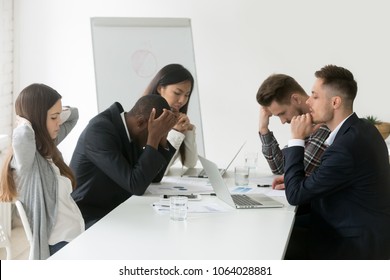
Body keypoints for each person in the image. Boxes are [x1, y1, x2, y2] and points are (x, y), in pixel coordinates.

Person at [283, 64, 390, 259]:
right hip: (351, 227)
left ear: (335, 102)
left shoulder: (346, 147)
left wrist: (296, 140)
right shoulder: (360, 130)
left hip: (352, 246)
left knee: (279, 246)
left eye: (315, 96)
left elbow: (295, 195)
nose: (308, 102)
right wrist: (301, 182)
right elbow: (328, 180)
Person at [0, 83, 84, 260]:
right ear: (36, 120)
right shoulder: (26, 160)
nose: (59, 123)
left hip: (75, 236)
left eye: (58, 116)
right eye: (54, 118)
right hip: (60, 246)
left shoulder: (45, 146)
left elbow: (74, 115)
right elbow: (22, 136)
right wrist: (25, 120)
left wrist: (55, 114)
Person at [70, 95, 177, 228]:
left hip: (118, 209)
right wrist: (154, 137)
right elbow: (135, 185)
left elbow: (154, 177)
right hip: (89, 216)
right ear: (140, 122)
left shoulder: (130, 130)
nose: (156, 134)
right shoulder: (99, 131)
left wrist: (162, 136)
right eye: (156, 131)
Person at [256, 74, 330, 189]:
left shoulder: (325, 125)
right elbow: (280, 168)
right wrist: (264, 130)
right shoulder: (306, 123)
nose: (283, 121)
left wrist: (297, 138)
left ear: (295, 99)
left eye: (282, 113)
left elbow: (293, 173)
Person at [144, 64, 198, 172]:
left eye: (187, 95)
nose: (182, 100)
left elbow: (190, 163)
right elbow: (158, 171)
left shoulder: (175, 118)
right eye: (177, 93)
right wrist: (176, 132)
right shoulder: (147, 119)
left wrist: (188, 131)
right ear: (160, 88)